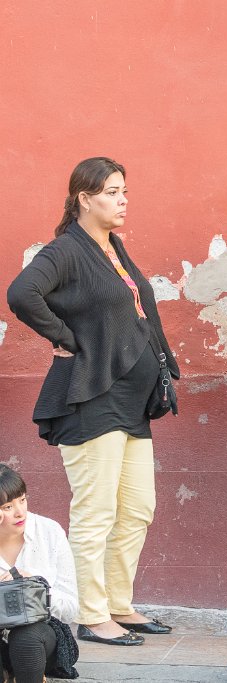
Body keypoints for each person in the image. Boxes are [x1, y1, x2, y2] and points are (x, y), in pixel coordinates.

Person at [7, 157, 177, 646]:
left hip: (131, 400)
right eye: (113, 191)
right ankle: (91, 613)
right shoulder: (66, 250)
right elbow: (22, 293)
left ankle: (119, 604)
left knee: (137, 507)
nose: (123, 200)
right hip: (90, 397)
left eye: (125, 191)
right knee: (96, 510)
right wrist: (64, 336)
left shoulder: (113, 250)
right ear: (85, 198)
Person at [0, 465, 79, 682]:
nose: (20, 512)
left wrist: (35, 586)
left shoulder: (49, 531)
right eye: (7, 507)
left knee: (26, 635)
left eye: (22, 500)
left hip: (41, 639)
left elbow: (70, 609)